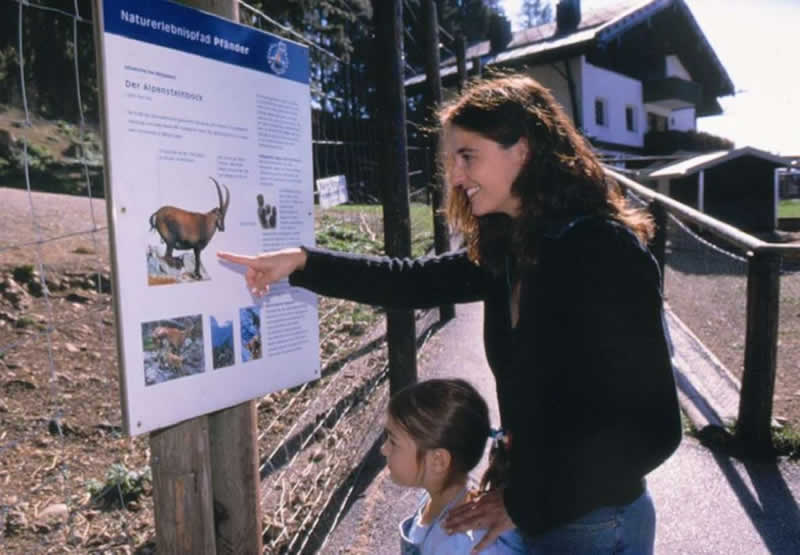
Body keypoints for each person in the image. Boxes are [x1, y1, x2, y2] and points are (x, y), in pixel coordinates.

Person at [218, 73, 682, 553]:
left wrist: (528, 502)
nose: (456, 178)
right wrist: (302, 262)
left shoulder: (603, 252)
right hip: (541, 504)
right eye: (451, 161)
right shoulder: (514, 248)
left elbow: (654, 431)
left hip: (596, 521)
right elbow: (411, 279)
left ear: (521, 150)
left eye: (467, 156)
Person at [384, 378, 525, 554]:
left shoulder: (458, 544)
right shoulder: (434, 501)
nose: (384, 449)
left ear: (438, 461)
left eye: (393, 441)